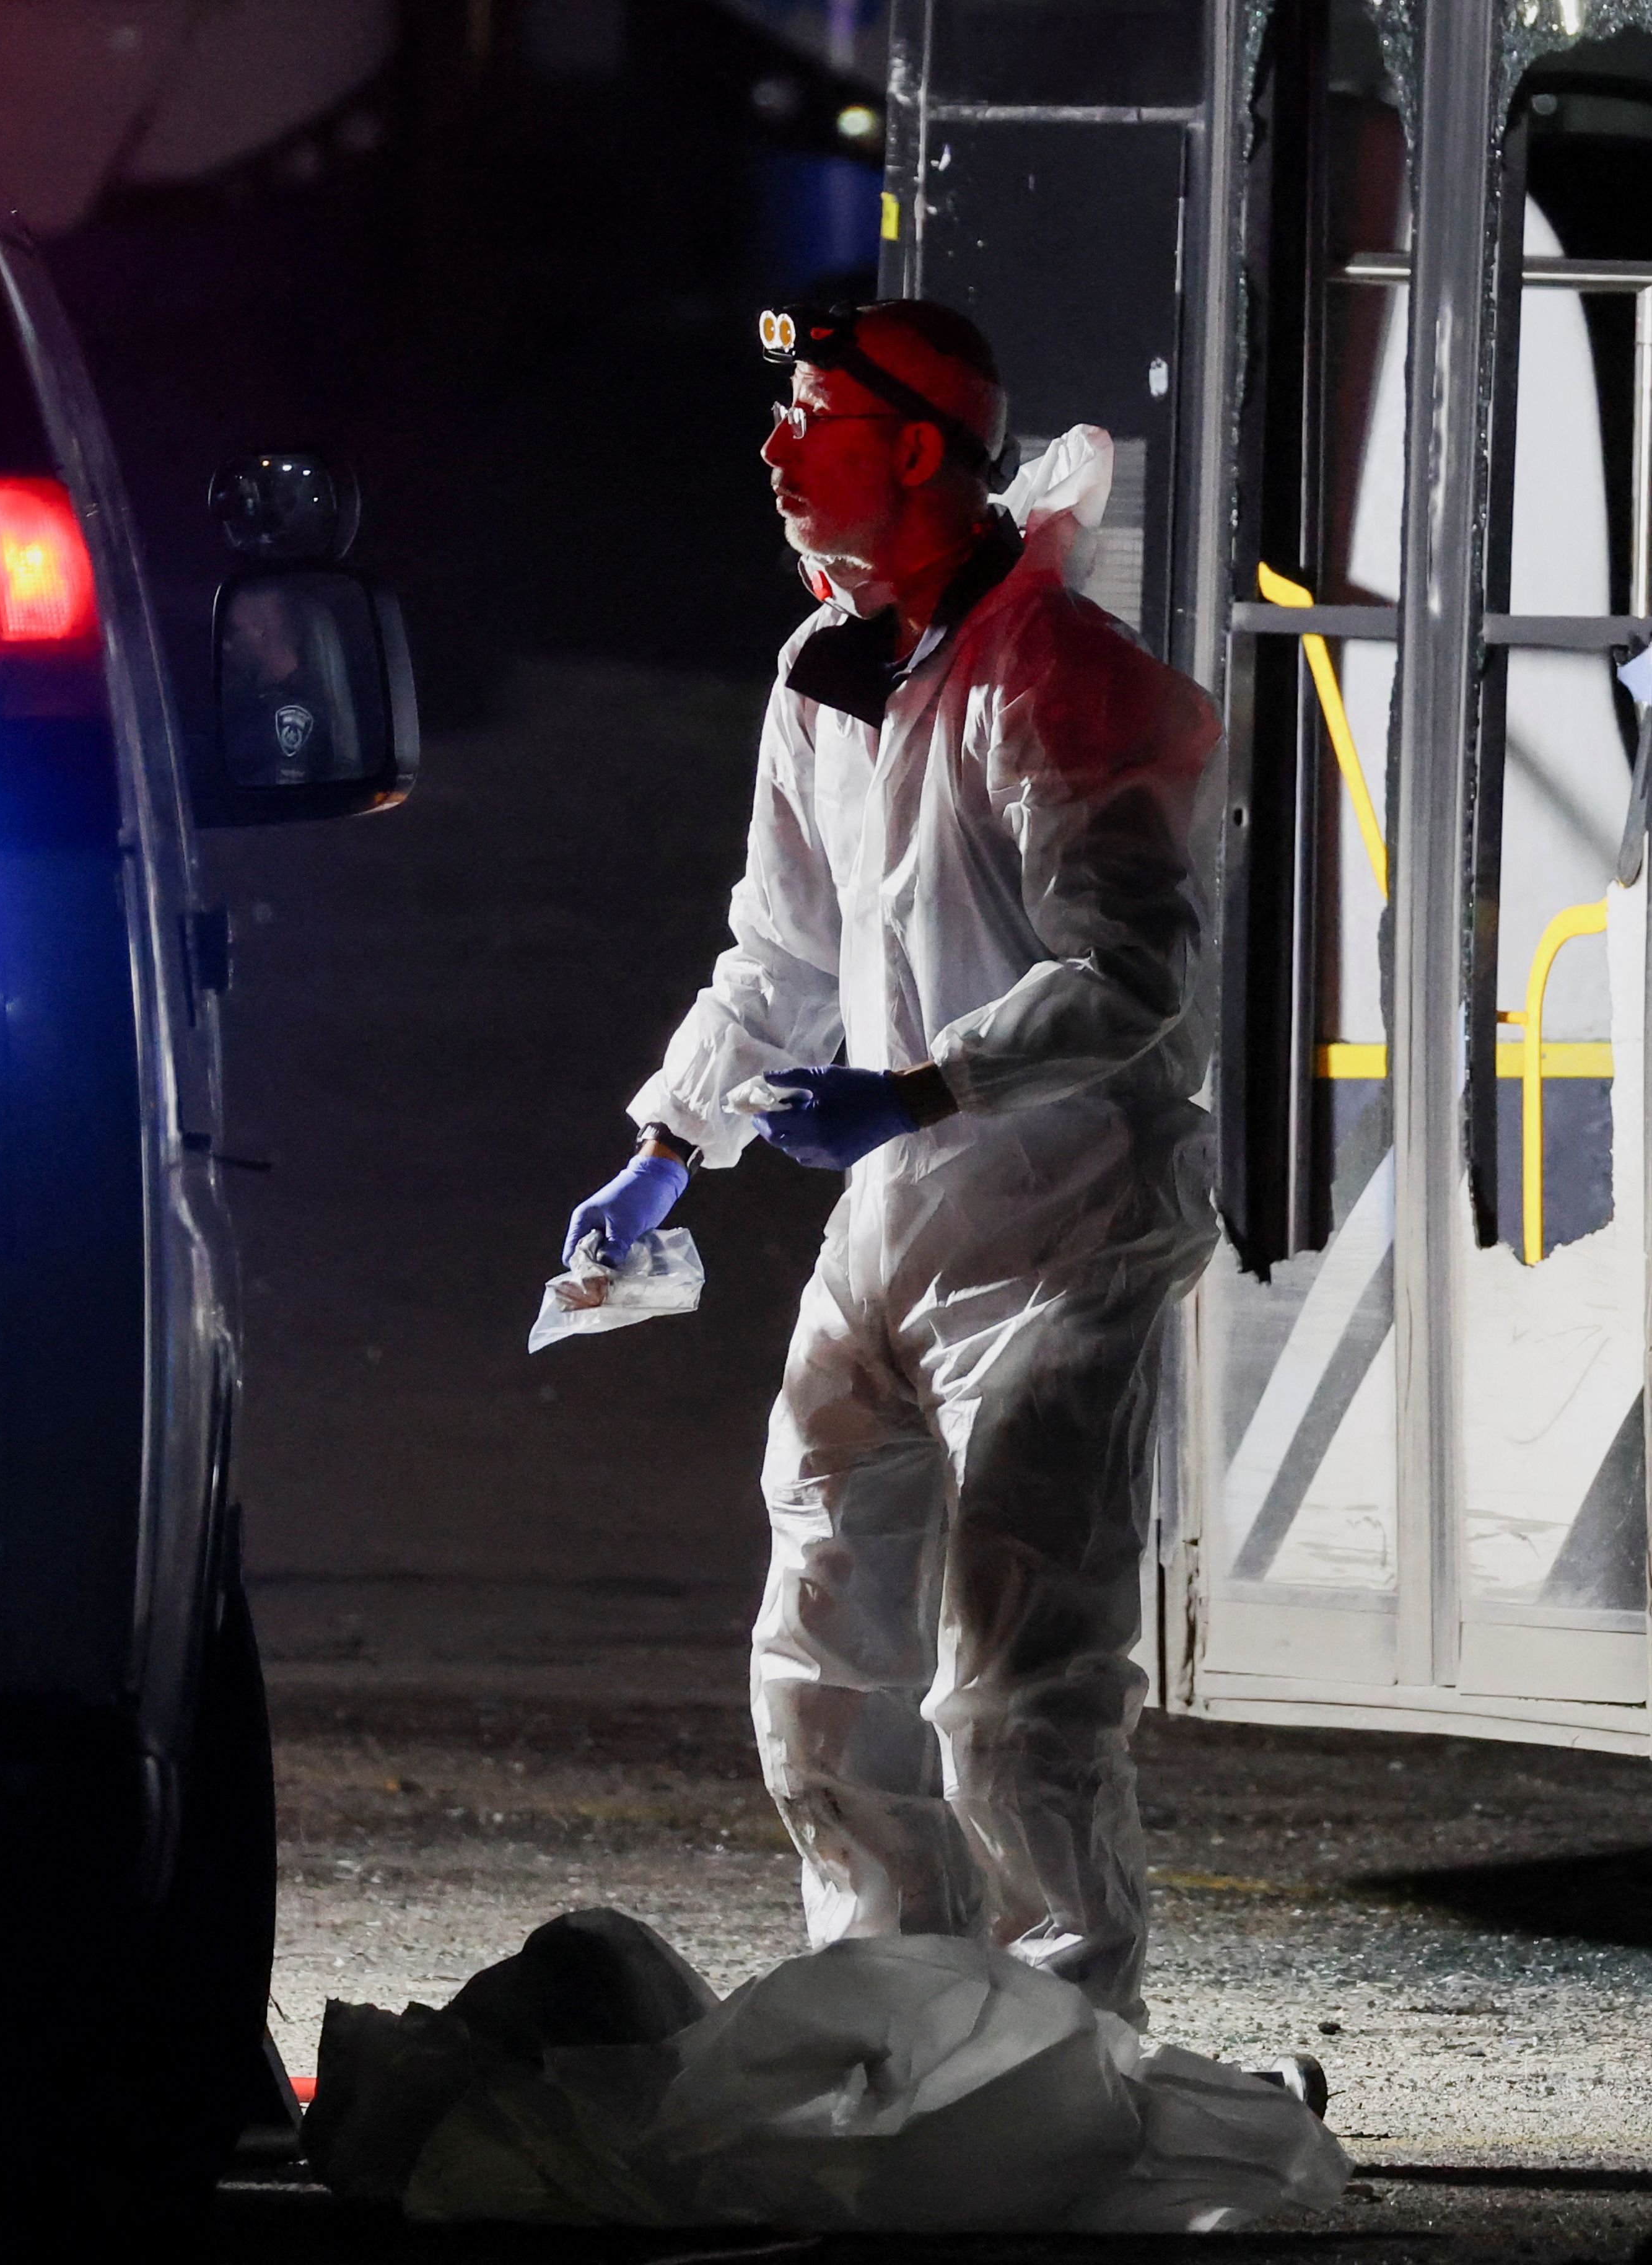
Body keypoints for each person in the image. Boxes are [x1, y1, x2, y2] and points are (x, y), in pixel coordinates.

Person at [559, 299, 1218, 2025]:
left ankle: (1062, 2048)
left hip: (1066, 1229)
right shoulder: (830, 675)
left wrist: (919, 1089)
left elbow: (1134, 975)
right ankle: (888, 2024)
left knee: (1017, 1682)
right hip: (901, 1222)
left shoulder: (1058, 685)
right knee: (822, 1669)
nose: (774, 449)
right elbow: (775, 954)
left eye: (809, 414)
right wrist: (663, 1148)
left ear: (916, 447)